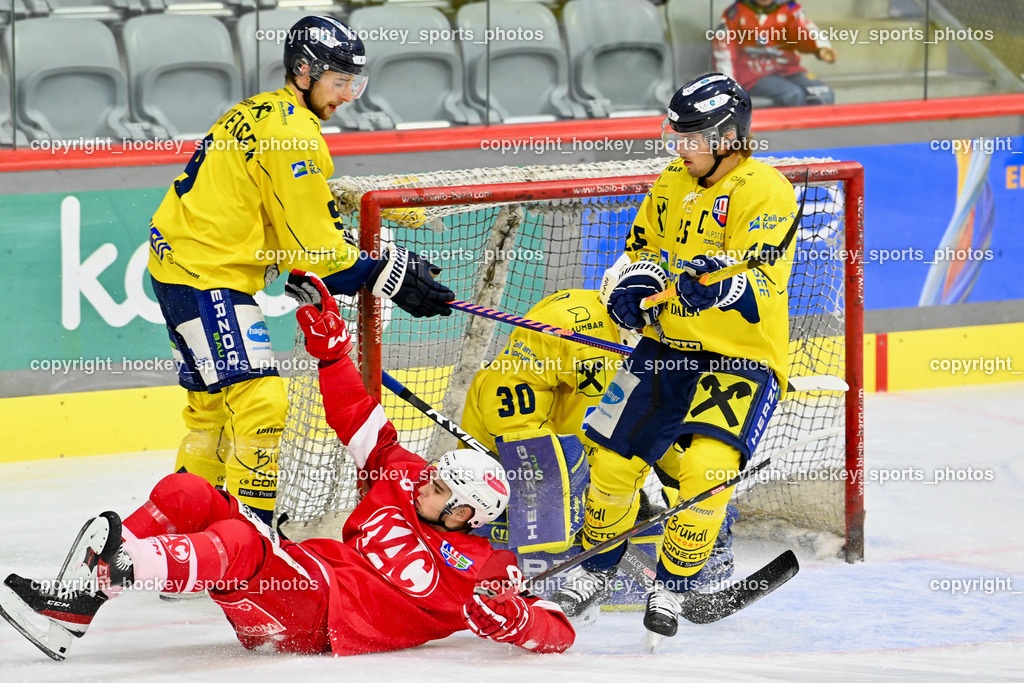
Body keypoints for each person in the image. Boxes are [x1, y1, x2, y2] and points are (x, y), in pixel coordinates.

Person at [0, 272, 574, 661]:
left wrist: (518, 623)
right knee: (186, 493)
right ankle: (75, 602)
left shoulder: (483, 568)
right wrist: (332, 353)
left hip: (320, 622)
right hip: (298, 581)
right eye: (431, 474)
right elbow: (354, 414)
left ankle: (115, 569)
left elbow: (558, 630)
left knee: (240, 540)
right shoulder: (397, 477)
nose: (424, 479)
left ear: (466, 512)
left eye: (439, 485)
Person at [146, 16, 454, 524]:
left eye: (355, 82)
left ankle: (188, 530)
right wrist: (391, 273)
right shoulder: (293, 134)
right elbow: (321, 260)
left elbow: (285, 222)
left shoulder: (261, 109)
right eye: (339, 82)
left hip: (178, 263)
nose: (348, 96)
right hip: (207, 275)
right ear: (304, 71)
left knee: (213, 414)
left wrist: (355, 257)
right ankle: (249, 540)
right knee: (262, 407)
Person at [548, 72, 797, 644]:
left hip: (737, 361)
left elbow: (761, 277)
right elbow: (638, 254)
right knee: (610, 463)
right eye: (677, 134)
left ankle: (674, 584)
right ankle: (595, 571)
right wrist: (628, 288)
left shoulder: (766, 190)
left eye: (693, 136)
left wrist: (719, 287)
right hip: (662, 350)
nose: (680, 147)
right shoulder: (671, 183)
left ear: (730, 136)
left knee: (707, 475)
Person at [462, 261, 737, 594]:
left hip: (585, 456)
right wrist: (557, 493)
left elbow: (668, 431)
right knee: (558, 530)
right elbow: (508, 411)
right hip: (510, 452)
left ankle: (683, 553)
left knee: (684, 471)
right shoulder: (563, 322)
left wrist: (700, 504)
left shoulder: (676, 337)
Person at [712, 0, 837, 107]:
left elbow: (804, 31)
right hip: (754, 73)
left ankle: (816, 134)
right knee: (792, 94)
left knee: (823, 93)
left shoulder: (789, 9)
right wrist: (730, 86)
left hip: (788, 69)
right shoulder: (735, 14)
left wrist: (821, 47)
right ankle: (793, 134)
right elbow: (724, 53)